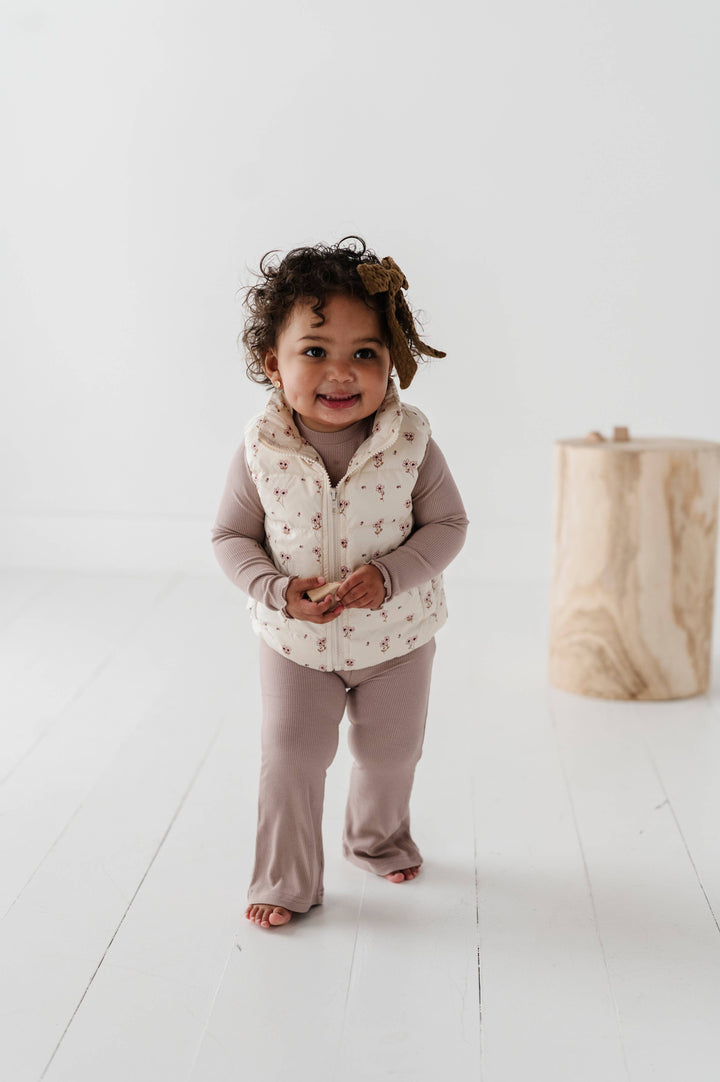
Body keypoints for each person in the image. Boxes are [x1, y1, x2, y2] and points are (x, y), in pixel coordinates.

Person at [211, 237, 468, 929]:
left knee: (391, 752)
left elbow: (448, 526)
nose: (341, 372)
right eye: (315, 351)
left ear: (393, 363)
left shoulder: (410, 443)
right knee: (292, 756)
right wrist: (275, 590)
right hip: (296, 641)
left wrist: (390, 577)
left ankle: (375, 838)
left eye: (365, 354)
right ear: (273, 362)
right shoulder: (261, 450)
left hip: (399, 638)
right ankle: (286, 878)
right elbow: (230, 538)